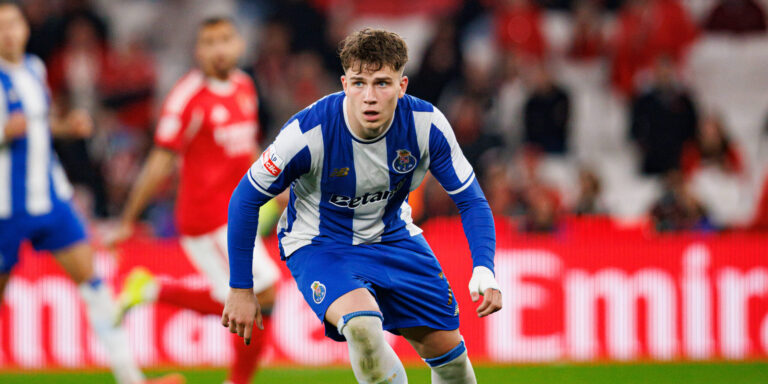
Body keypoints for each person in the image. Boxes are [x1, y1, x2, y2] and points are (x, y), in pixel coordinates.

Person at [222, 28, 503, 384]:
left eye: (382, 83)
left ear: (402, 86)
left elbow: (471, 199)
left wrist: (484, 267)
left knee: (452, 364)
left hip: (394, 238)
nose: (369, 97)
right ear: (344, 84)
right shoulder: (308, 133)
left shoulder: (426, 125)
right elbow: (245, 198)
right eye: (359, 83)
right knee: (364, 327)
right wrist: (241, 288)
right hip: (322, 245)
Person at [0, 2, 181, 383]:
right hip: (7, 208)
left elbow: (37, 123)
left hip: (51, 200)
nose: (10, 33)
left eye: (14, 24)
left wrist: (65, 126)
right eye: (2, 27)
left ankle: (131, 378)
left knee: (95, 285)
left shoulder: (34, 68)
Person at [106, 17, 280, 384]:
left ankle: (152, 288)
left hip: (237, 213)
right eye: (209, 42)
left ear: (239, 45)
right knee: (260, 295)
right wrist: (127, 219)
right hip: (205, 219)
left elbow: (247, 146)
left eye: (225, 40)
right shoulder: (187, 97)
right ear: (197, 50)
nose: (218, 49)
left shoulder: (244, 86)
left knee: (253, 299)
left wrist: (274, 189)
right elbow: (159, 160)